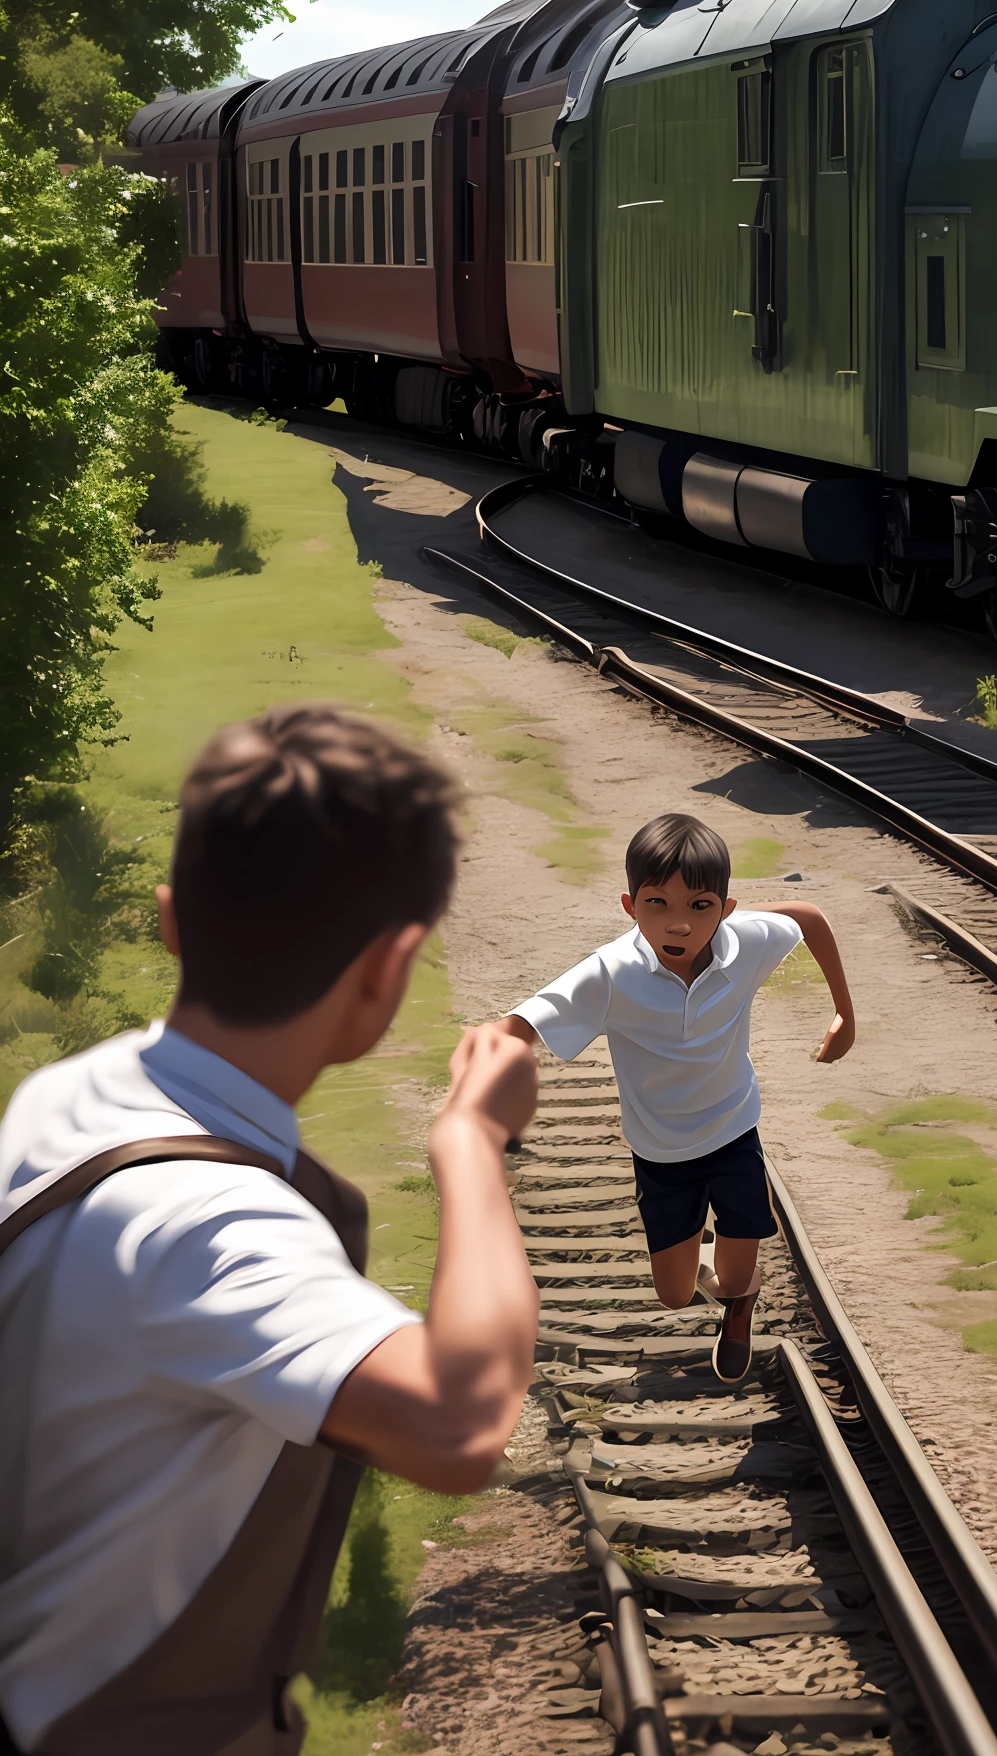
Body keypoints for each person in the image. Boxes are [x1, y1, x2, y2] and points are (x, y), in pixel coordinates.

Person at [0, 704, 539, 1756]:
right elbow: (458, 1422)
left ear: (170, 919)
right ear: (389, 966)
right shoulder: (210, 1225)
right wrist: (470, 1141)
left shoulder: (65, 1096)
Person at [494, 812, 854, 1384]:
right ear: (629, 906)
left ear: (726, 910)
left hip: (735, 1130)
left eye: (699, 906)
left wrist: (845, 1014)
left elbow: (807, 917)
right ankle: (710, 1264)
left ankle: (740, 1303)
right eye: (657, 904)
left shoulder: (747, 942)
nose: (679, 924)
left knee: (735, 1280)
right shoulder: (609, 974)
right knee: (673, 1294)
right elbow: (516, 1029)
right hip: (660, 1152)